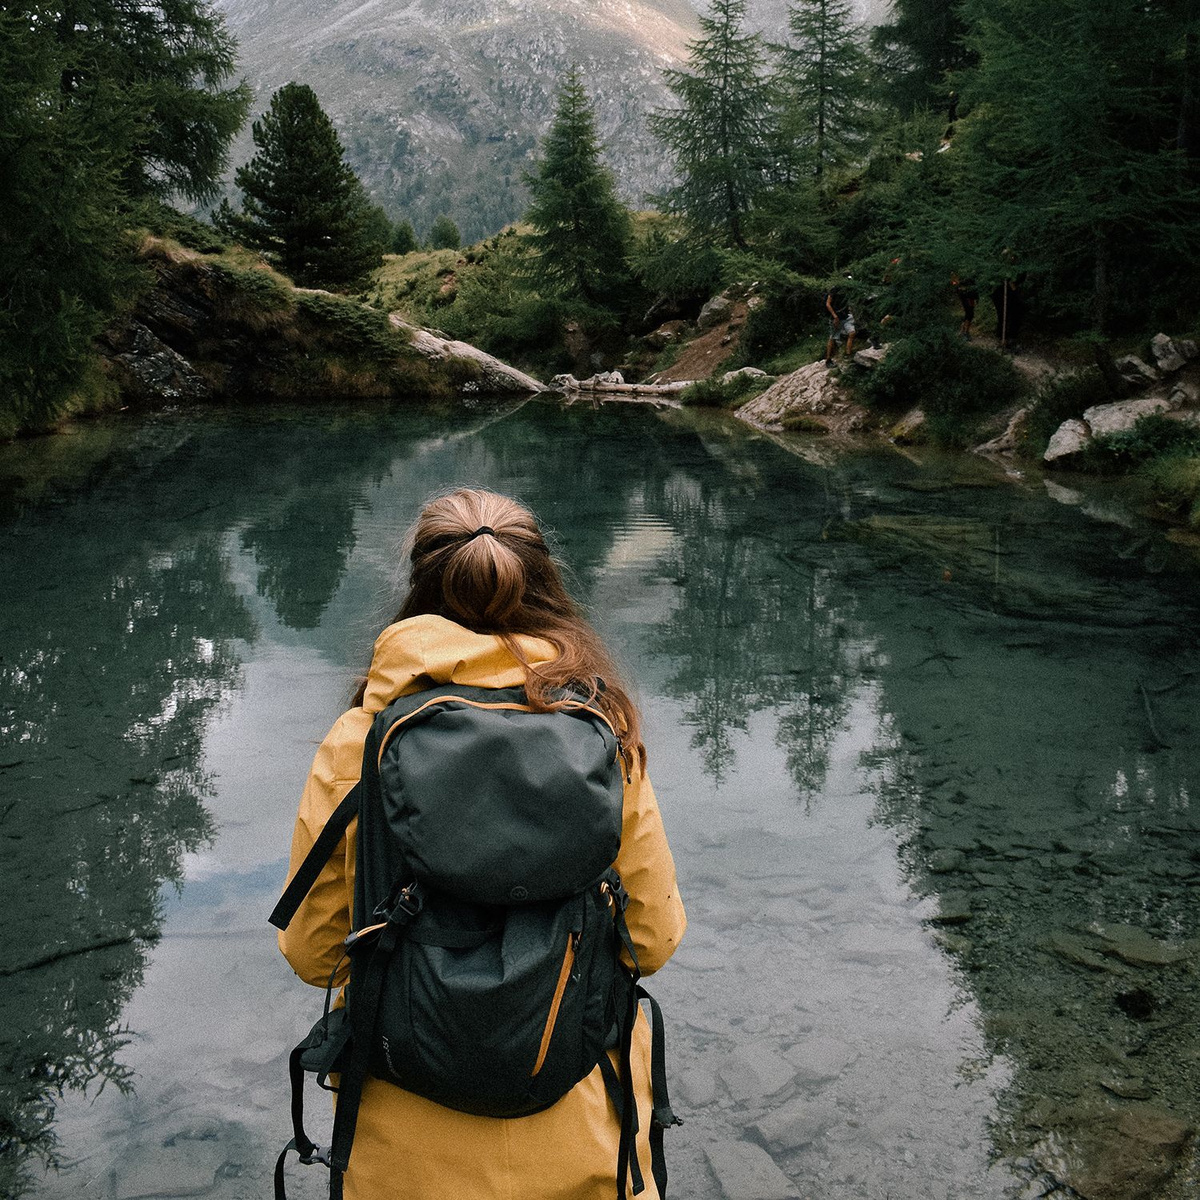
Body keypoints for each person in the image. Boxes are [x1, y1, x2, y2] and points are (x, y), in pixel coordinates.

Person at [277, 487, 687, 1200]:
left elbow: (315, 957)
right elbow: (650, 940)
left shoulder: (360, 744)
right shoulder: (603, 727)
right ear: (543, 583)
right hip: (582, 1133)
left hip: (406, 1154)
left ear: (421, 589)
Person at [825, 278, 856, 365]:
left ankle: (848, 354)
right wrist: (835, 317)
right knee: (833, 337)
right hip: (836, 318)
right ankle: (828, 360)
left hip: (845, 316)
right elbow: (828, 304)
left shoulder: (848, 289)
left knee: (852, 333)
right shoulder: (835, 289)